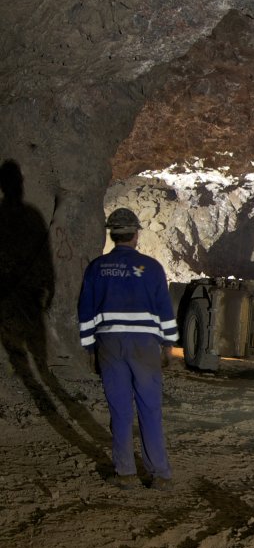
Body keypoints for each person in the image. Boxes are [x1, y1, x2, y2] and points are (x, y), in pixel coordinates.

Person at [77, 208, 178, 490]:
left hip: (110, 344)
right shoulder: (152, 268)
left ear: (112, 234)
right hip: (144, 345)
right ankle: (159, 474)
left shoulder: (97, 267)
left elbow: (85, 310)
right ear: (135, 235)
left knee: (120, 410)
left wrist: (89, 348)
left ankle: (126, 473)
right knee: (149, 408)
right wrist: (168, 344)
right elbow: (164, 310)